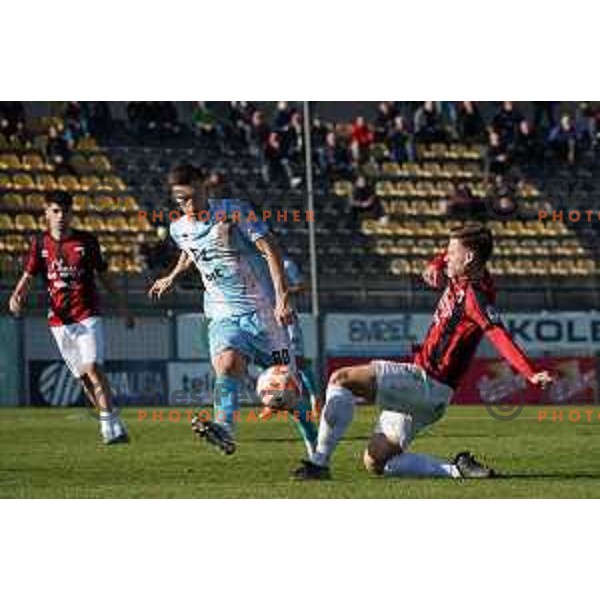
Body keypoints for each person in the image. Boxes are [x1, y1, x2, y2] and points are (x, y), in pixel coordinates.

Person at [292, 223, 554, 480]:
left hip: (426, 382)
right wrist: (438, 262)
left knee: (341, 379)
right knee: (377, 462)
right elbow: (449, 259)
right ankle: (457, 470)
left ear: (470, 257)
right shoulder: (465, 275)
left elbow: (498, 334)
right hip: (433, 399)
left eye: (451, 253)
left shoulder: (475, 296)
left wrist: (529, 373)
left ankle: (319, 463)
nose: (446, 256)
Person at [148, 164, 318, 457]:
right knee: (227, 364)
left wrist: (282, 298)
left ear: (204, 185)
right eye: (180, 201)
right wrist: (172, 276)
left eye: (191, 197)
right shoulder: (178, 228)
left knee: (285, 392)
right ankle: (224, 429)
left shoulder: (234, 211)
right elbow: (190, 251)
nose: (187, 206)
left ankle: (316, 447)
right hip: (223, 314)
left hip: (265, 317)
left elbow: (270, 249)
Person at [8, 191, 132, 444]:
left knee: (93, 367)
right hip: (59, 321)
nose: (60, 216)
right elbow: (28, 276)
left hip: (88, 314)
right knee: (83, 378)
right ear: (46, 214)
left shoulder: (86, 241)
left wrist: (123, 306)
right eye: (55, 211)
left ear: (71, 213)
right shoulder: (40, 245)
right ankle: (114, 421)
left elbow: (105, 275)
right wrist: (16, 296)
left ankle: (108, 428)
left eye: (65, 211)